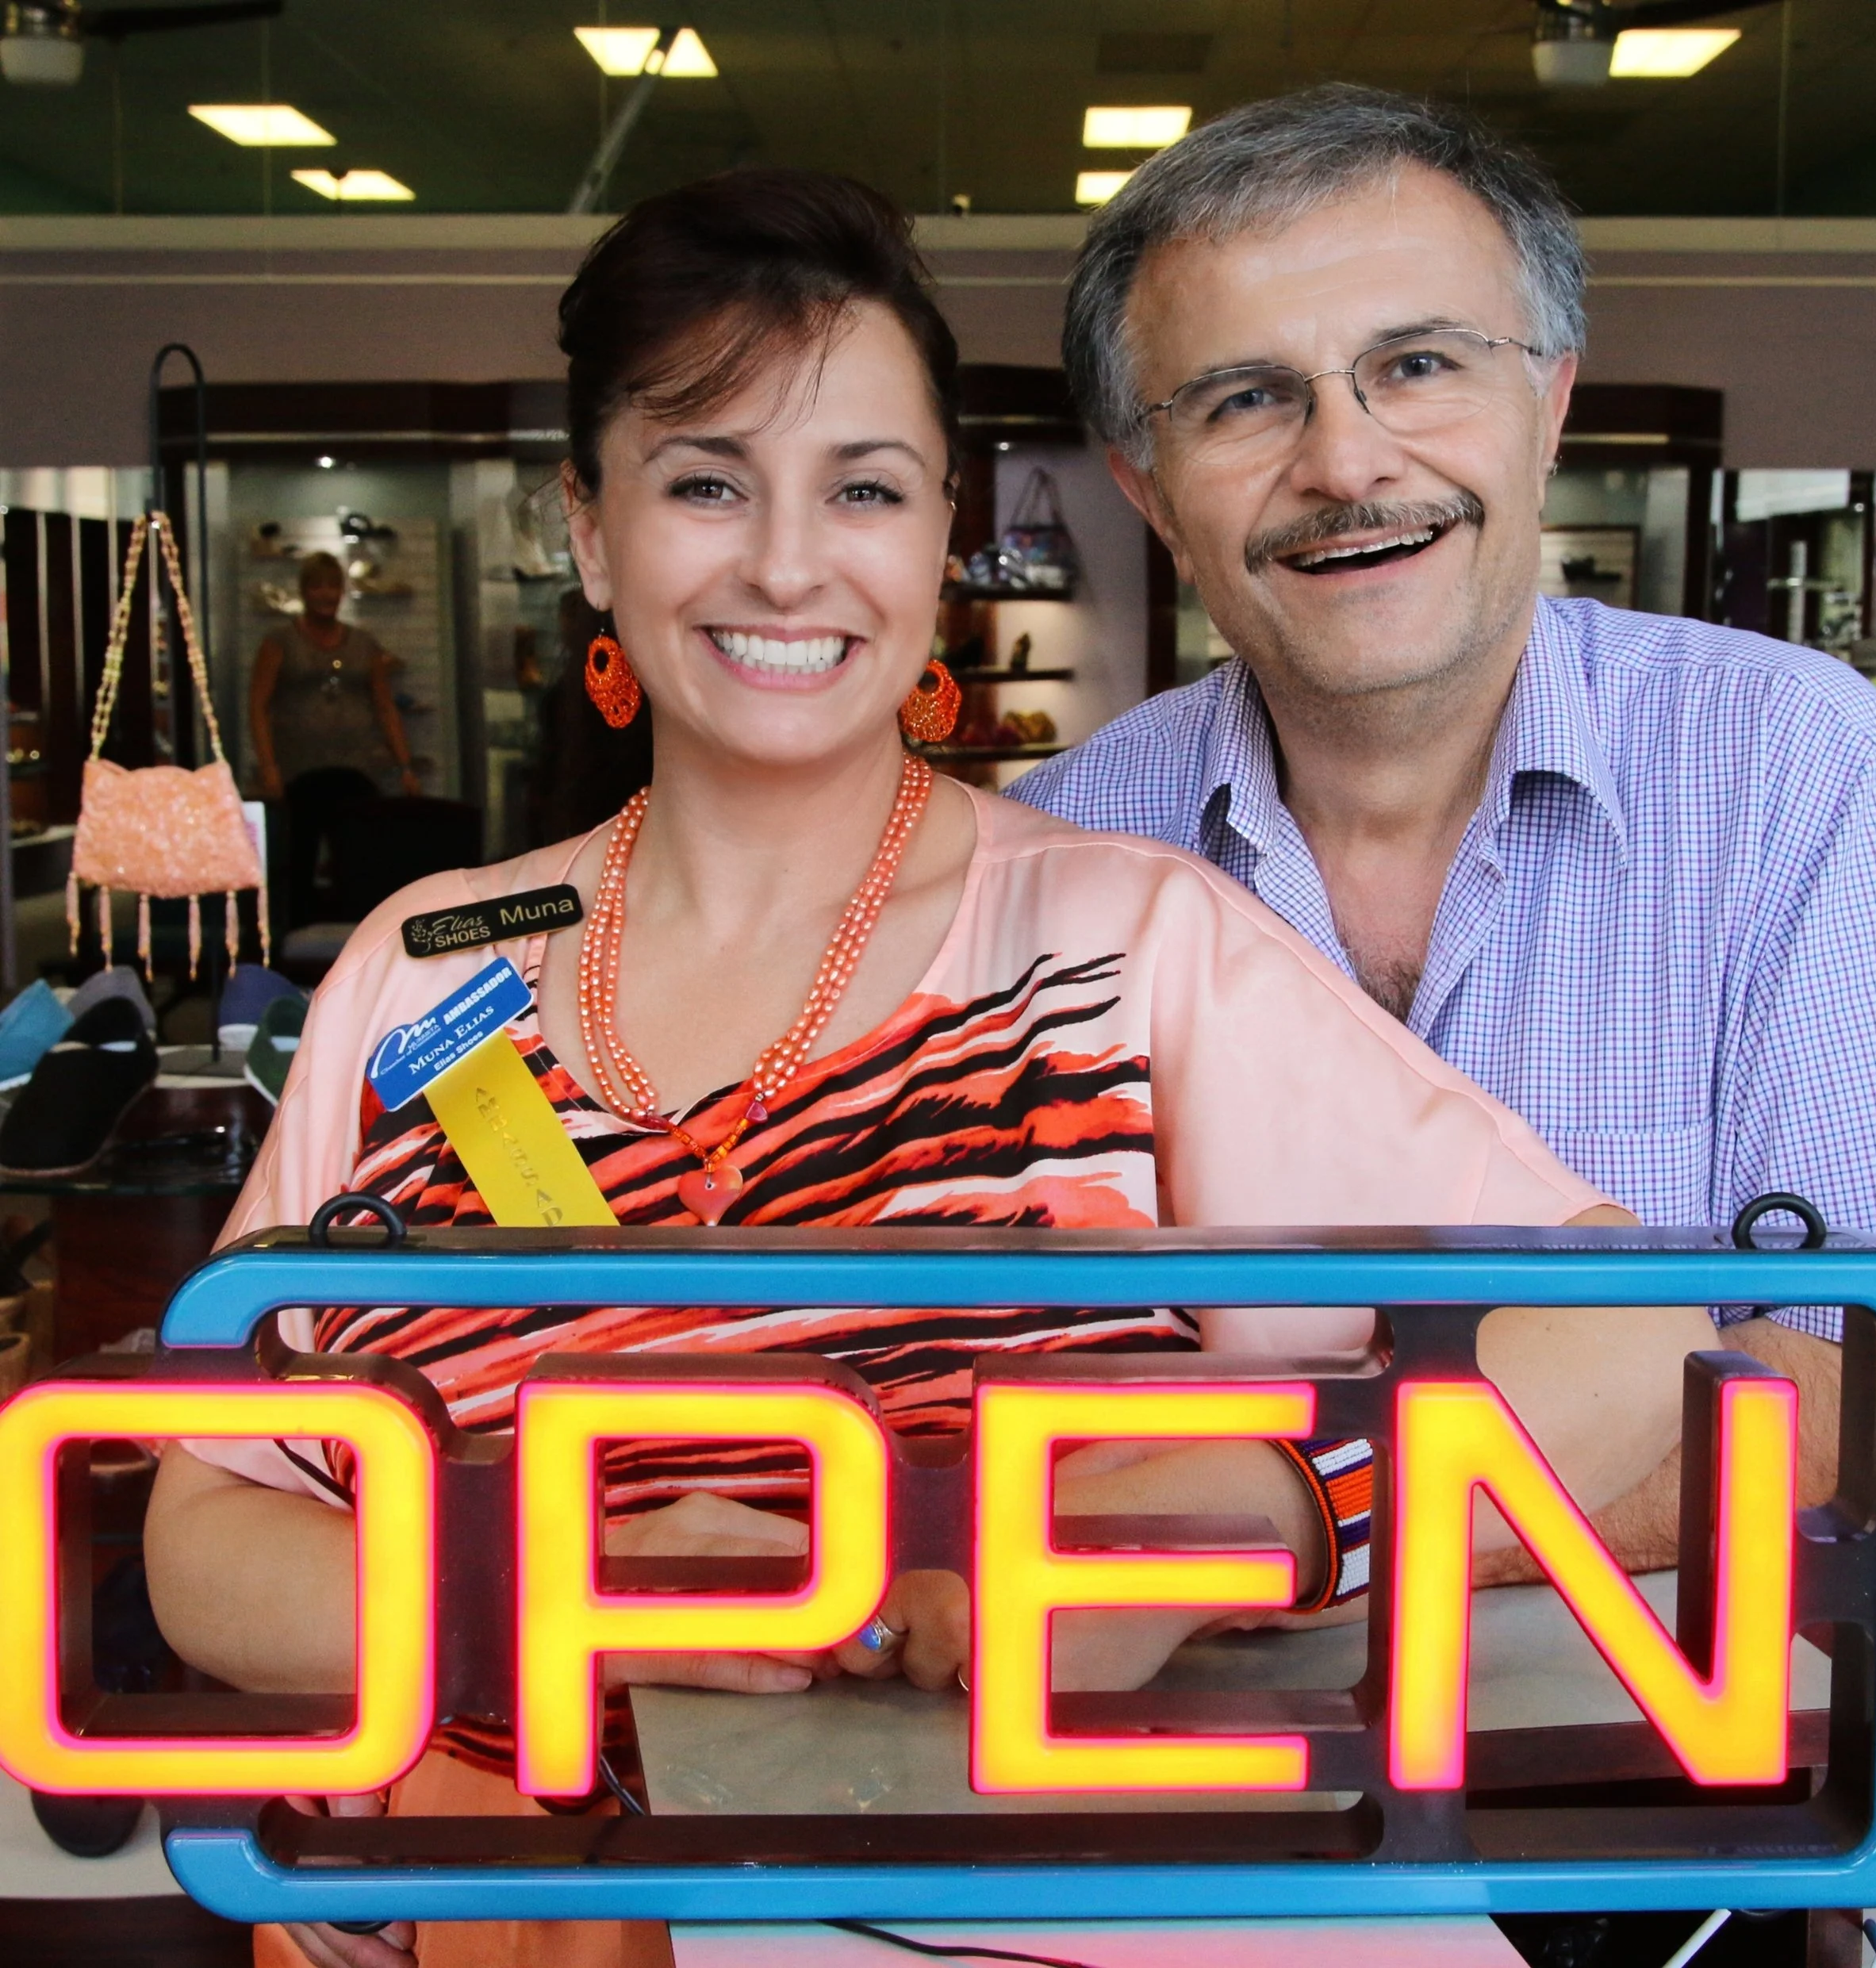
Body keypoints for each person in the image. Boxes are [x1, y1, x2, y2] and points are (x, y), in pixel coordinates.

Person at [144, 169, 1694, 1968]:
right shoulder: (425, 974)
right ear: (589, 530)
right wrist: (535, 1603)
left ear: (940, 531)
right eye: (706, 481)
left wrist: (1243, 1511)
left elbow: (1633, 1332)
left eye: (863, 489)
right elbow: (215, 1517)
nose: (788, 562)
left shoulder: (1117, 948)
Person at [1014, 84, 1876, 1567]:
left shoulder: (1800, 775)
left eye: (1415, 364)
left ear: (1551, 403)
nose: (1346, 464)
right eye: (1246, 398)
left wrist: (1285, 1530)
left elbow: (1874, 1403)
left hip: (1686, 1769)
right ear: (1149, 488)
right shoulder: (1056, 846)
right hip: (1164, 1762)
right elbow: (1010, 1407)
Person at [249, 551, 423, 923]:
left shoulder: (364, 643)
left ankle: (359, 944)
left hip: (359, 767)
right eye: (317, 586)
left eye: (332, 586)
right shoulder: (279, 641)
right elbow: (258, 706)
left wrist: (405, 765)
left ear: (342, 592)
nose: (325, 594)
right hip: (299, 770)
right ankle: (295, 950)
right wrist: (268, 767)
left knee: (359, 864)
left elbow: (385, 706)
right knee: (298, 864)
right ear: (304, 591)